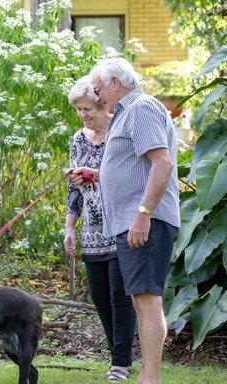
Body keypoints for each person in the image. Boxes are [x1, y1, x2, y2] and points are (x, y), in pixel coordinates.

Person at [72, 58, 179, 384]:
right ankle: (148, 375)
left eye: (98, 87)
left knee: (146, 300)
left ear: (115, 82)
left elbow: (162, 164)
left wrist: (143, 215)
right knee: (141, 299)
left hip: (146, 219)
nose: (96, 94)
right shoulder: (125, 113)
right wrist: (96, 174)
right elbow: (134, 167)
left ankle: (150, 378)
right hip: (130, 220)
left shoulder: (141, 108)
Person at [63, 75, 136, 382]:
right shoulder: (78, 139)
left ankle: (121, 363)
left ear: (103, 104)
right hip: (91, 230)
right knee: (99, 296)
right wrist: (69, 227)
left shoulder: (119, 131)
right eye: (78, 109)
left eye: (87, 109)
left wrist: (95, 174)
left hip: (119, 224)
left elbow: (127, 176)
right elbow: (73, 190)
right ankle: (116, 356)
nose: (83, 115)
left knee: (121, 296)